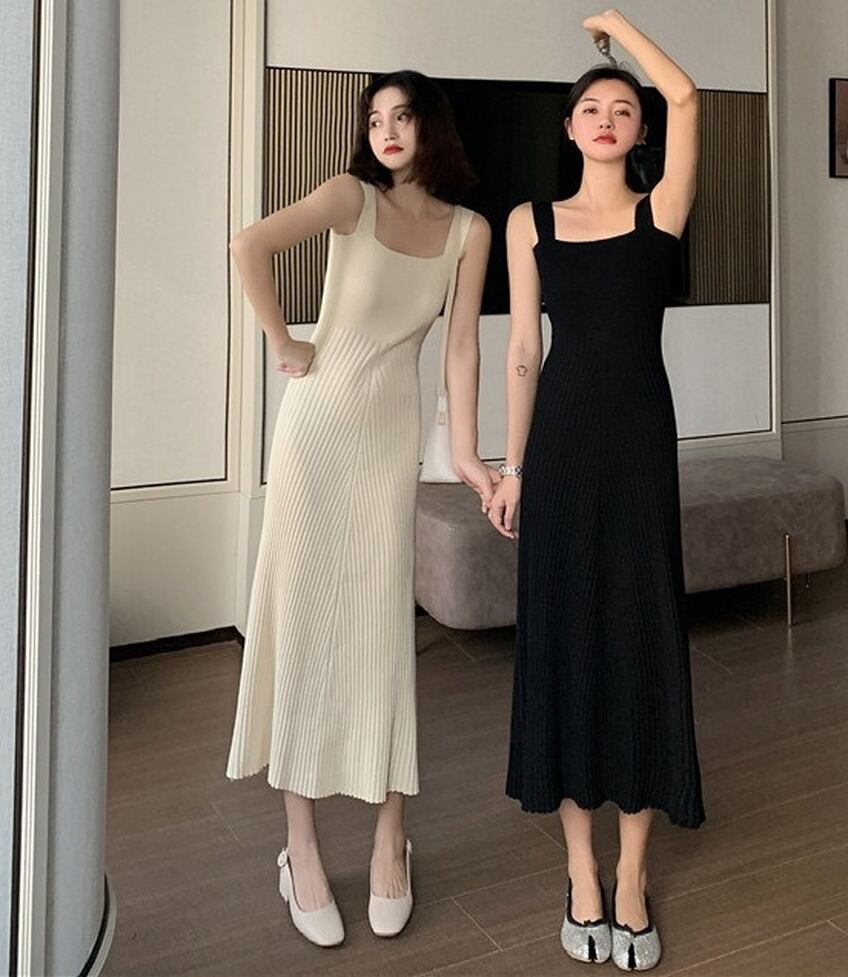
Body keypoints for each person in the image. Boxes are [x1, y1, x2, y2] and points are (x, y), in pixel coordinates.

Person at [225, 70, 494, 948]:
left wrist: (467, 456)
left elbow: (461, 348)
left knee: (381, 632)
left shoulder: (469, 231)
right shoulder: (351, 196)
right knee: (303, 624)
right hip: (315, 434)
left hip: (386, 442)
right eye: (374, 118)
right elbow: (247, 245)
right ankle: (299, 847)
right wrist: (283, 340)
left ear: (430, 127)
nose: (385, 131)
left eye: (401, 116)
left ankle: (390, 838)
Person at [487, 10, 704, 970]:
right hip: (562, 447)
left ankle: (631, 876)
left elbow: (686, 93)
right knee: (566, 640)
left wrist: (617, 27)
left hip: (640, 444)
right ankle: (580, 870)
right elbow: (520, 351)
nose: (608, 118)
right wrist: (513, 467)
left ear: (639, 129)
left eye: (622, 109)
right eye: (591, 109)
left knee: (641, 638)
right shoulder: (528, 222)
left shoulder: (663, 212)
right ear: (569, 128)